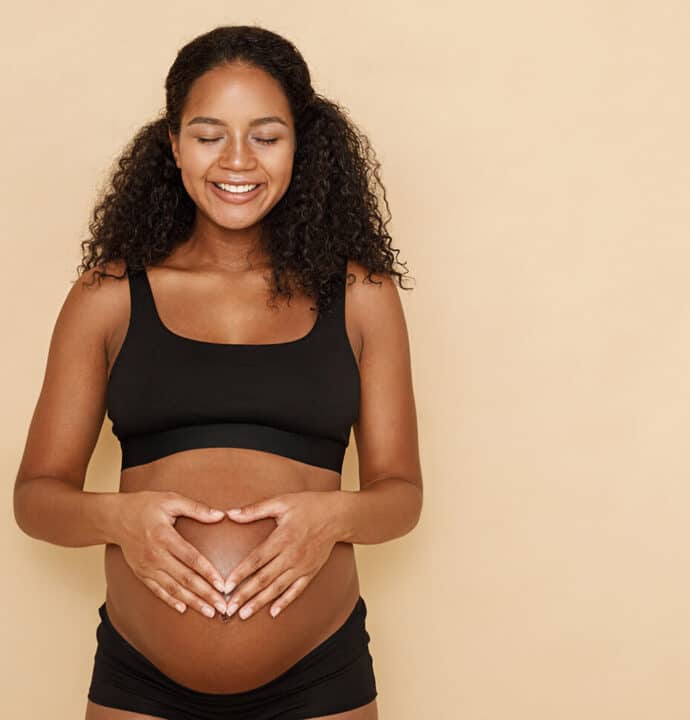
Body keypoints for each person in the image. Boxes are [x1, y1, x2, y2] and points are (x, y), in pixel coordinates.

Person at [13, 24, 422, 720]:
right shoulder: (108, 295)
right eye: (209, 135)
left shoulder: (361, 295)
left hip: (319, 671)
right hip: (140, 677)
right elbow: (35, 498)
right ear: (173, 145)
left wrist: (331, 518)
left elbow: (402, 495)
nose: (238, 159)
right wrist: (120, 519)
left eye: (266, 134)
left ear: (302, 143)